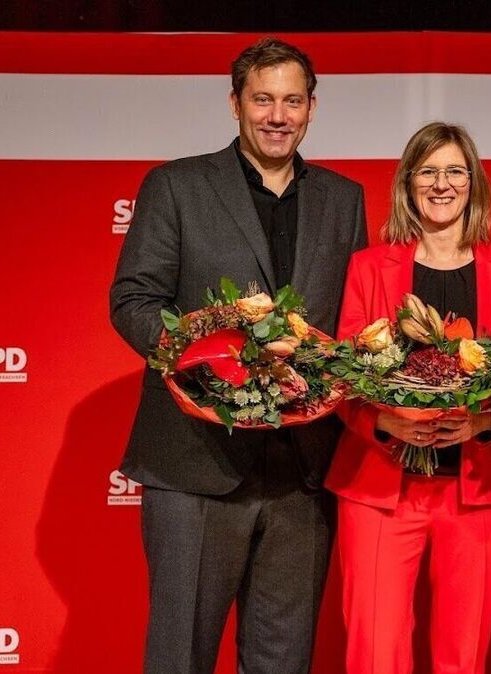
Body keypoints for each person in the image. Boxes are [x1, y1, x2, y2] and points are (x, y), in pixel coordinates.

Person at [109, 37, 367, 674]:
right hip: (197, 464)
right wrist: (219, 356)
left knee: (284, 660)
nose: (276, 115)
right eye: (262, 99)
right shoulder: (175, 185)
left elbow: (356, 323)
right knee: (180, 657)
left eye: (292, 101)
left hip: (303, 472)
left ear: (311, 109)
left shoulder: (345, 198)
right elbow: (134, 301)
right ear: (235, 104)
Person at [325, 121, 491, 674]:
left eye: (455, 171)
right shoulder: (369, 267)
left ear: (473, 182)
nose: (442, 184)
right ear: (408, 183)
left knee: (463, 657)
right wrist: (385, 423)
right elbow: (344, 373)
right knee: (374, 654)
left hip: (475, 489)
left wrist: (482, 420)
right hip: (379, 490)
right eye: (428, 171)